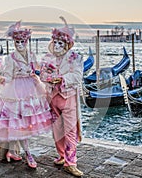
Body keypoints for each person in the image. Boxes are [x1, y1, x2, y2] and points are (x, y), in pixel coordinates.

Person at [0, 21, 52, 169]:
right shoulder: (10, 58)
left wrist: (47, 68)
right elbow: (8, 77)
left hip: (31, 88)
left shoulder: (31, 54)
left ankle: (12, 151)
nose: (20, 44)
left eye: (22, 41)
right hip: (15, 90)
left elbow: (36, 68)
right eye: (17, 42)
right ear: (14, 42)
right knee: (17, 122)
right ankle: (28, 153)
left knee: (24, 122)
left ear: (27, 41)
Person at [40, 16, 84, 177]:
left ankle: (71, 162)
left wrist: (62, 79)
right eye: (56, 42)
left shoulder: (75, 58)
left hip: (68, 98)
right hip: (52, 98)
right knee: (57, 130)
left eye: (61, 43)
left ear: (67, 44)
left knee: (70, 130)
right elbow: (43, 76)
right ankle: (61, 155)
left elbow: (78, 76)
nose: (57, 46)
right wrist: (49, 78)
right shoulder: (47, 58)